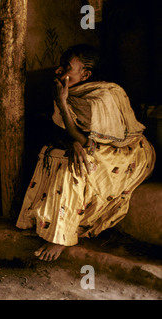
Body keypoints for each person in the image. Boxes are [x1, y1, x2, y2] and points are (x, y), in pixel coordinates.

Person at [16, 44, 156, 261]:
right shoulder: (68, 92)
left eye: (66, 67)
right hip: (95, 147)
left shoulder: (104, 96)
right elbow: (66, 133)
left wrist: (63, 104)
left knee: (77, 165)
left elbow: (95, 142)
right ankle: (41, 222)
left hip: (127, 154)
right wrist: (73, 142)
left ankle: (62, 237)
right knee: (50, 154)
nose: (58, 71)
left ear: (85, 74)